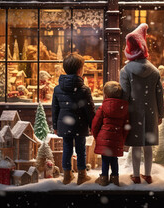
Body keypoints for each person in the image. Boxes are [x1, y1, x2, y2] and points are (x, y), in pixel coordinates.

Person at [119, 23, 164, 184]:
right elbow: (160, 95)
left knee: (136, 145)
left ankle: (136, 175)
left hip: (133, 113)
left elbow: (124, 96)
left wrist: (122, 114)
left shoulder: (126, 71)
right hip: (151, 112)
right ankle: (148, 175)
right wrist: (161, 114)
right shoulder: (155, 71)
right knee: (148, 145)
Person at [52, 53, 95, 185]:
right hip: (80, 124)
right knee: (81, 149)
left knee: (67, 148)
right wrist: (92, 125)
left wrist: (55, 126)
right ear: (79, 70)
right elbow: (89, 110)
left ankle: (67, 175)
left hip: (64, 124)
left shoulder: (57, 89)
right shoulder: (84, 90)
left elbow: (55, 109)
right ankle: (82, 175)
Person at [91, 81, 129, 186]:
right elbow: (126, 127)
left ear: (105, 95)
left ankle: (104, 178)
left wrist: (97, 136)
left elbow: (95, 124)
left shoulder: (103, 107)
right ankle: (115, 178)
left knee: (105, 159)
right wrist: (122, 138)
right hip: (117, 138)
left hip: (104, 136)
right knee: (114, 159)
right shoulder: (124, 109)